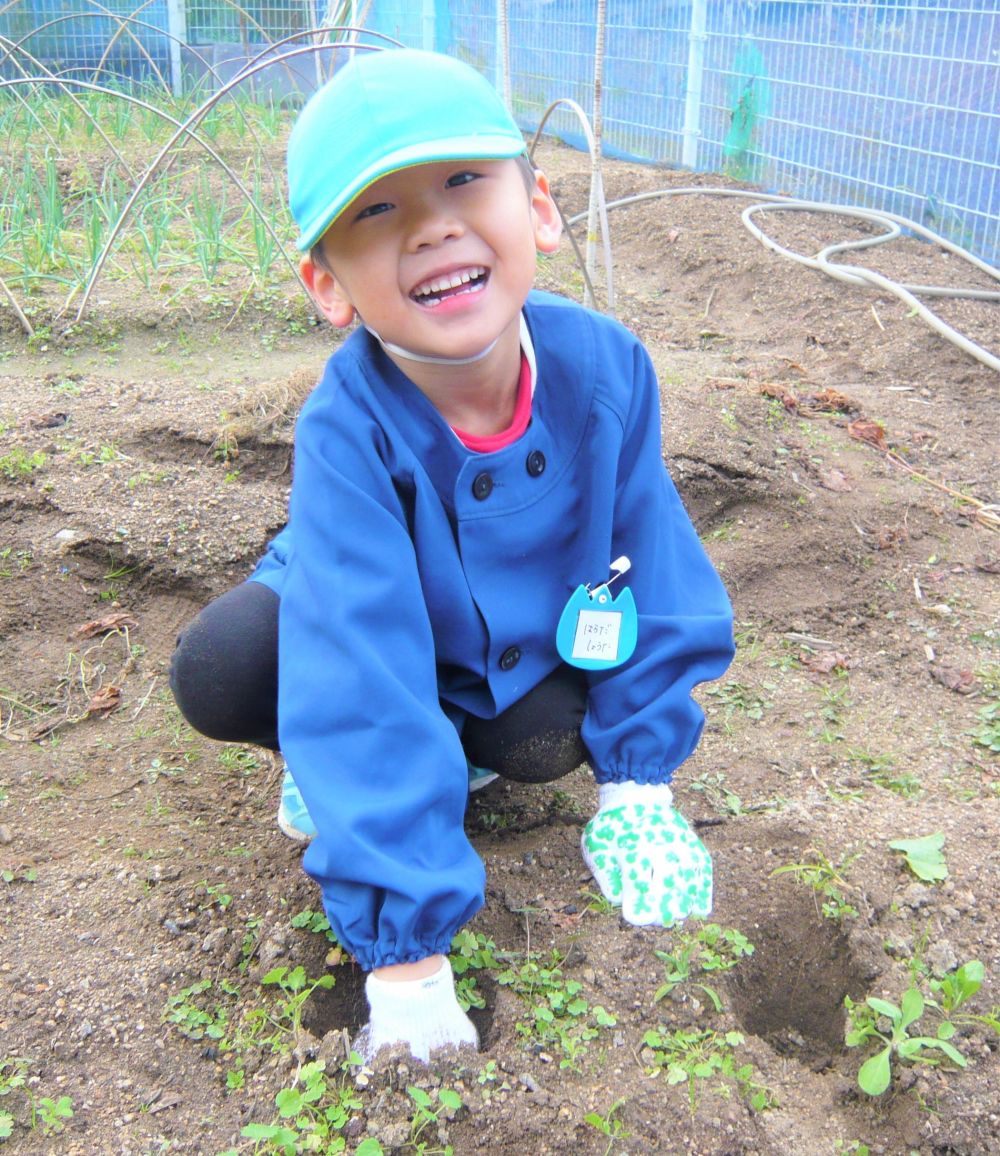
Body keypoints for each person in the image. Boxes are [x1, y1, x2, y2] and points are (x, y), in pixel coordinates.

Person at [170, 46, 735, 1064]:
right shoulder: (347, 429)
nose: (431, 225)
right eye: (376, 212)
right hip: (360, 609)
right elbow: (355, 651)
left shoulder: (605, 369)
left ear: (540, 210)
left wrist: (638, 785)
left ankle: (448, 757)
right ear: (328, 286)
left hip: (513, 628)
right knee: (223, 669)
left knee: (539, 744)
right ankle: (332, 774)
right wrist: (406, 958)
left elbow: (648, 557)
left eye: (463, 180)